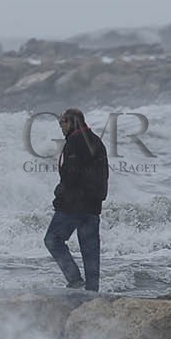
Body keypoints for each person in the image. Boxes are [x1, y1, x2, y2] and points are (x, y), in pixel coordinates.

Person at [43, 107, 109, 292]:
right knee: (90, 252)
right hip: (93, 205)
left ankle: (74, 279)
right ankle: (92, 293)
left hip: (74, 206)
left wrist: (59, 196)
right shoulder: (96, 141)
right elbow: (103, 176)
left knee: (52, 240)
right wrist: (99, 199)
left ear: (71, 122)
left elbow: (71, 176)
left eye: (62, 122)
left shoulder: (74, 142)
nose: (61, 127)